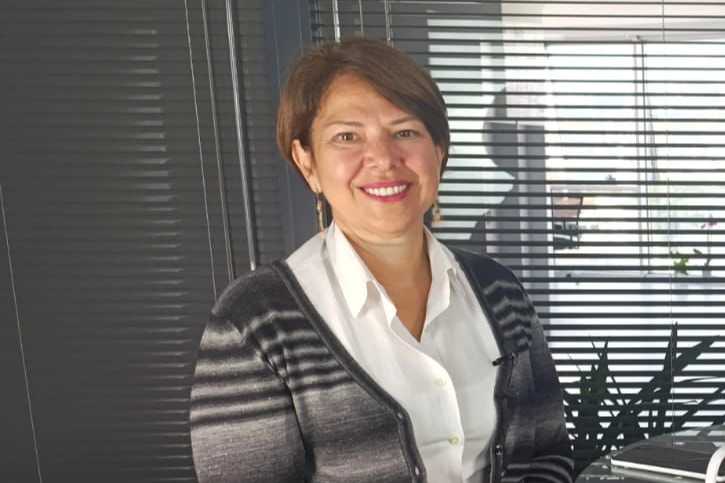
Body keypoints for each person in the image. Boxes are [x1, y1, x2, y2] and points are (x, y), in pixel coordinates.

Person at [189, 37, 573, 483]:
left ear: (439, 150)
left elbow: (548, 453)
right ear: (307, 162)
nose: (384, 160)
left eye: (405, 132)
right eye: (347, 137)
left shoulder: (499, 291)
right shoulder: (256, 321)